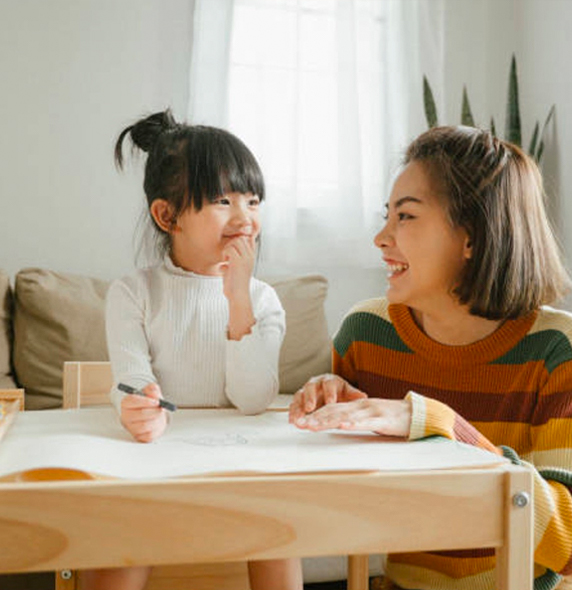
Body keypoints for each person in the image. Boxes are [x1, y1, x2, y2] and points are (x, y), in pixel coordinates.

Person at [289, 125, 572, 590]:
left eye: (406, 216)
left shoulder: (555, 351)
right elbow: (341, 498)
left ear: (472, 237)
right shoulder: (367, 333)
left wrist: (439, 425)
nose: (381, 238)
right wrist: (328, 411)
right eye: (387, 215)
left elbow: (567, 544)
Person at [82, 110, 303, 590]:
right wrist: (137, 405)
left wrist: (238, 297)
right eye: (223, 201)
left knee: (280, 531)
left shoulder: (263, 300)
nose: (244, 218)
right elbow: (130, 376)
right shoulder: (133, 292)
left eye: (253, 200)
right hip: (158, 461)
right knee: (119, 538)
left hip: (238, 463)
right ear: (168, 216)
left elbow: (251, 400)